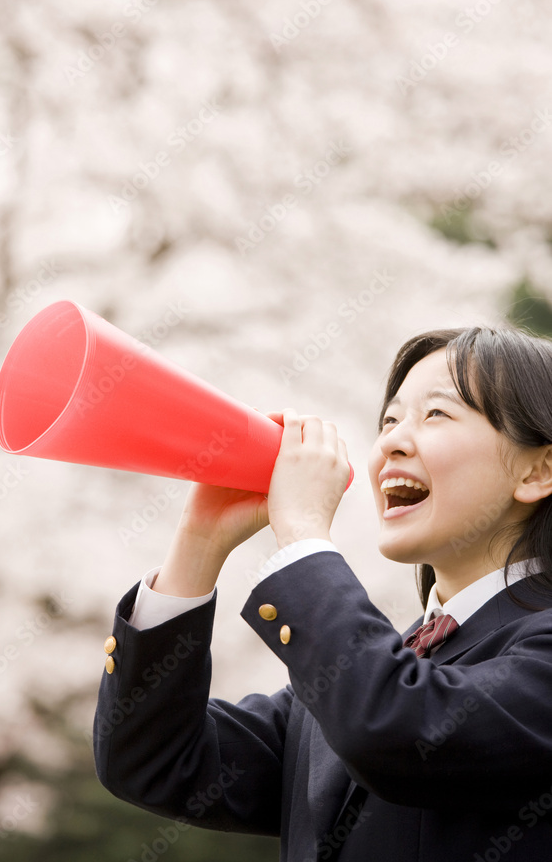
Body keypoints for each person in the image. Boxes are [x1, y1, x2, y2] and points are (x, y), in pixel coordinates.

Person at [93, 325, 552, 861]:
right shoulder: (358, 679)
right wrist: (199, 543)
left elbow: (398, 726)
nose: (391, 443)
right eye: (390, 419)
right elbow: (155, 762)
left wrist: (306, 535)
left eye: (436, 414)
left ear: (539, 469)